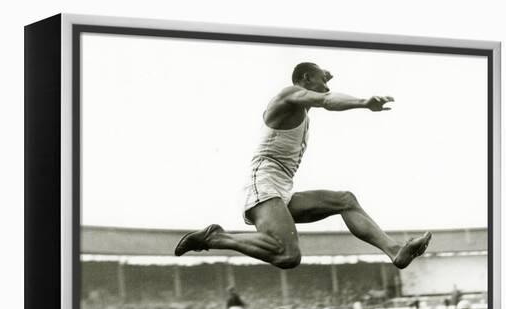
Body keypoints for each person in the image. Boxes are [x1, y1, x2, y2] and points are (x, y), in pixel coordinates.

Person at [175, 62, 431, 270]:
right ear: (306, 79)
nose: (326, 86)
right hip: (263, 183)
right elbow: (327, 100)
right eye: (322, 81)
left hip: (282, 187)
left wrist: (324, 78)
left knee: (345, 200)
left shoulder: (303, 105)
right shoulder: (287, 95)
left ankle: (395, 251)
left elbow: (323, 95)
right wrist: (363, 103)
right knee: (288, 256)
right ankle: (216, 237)